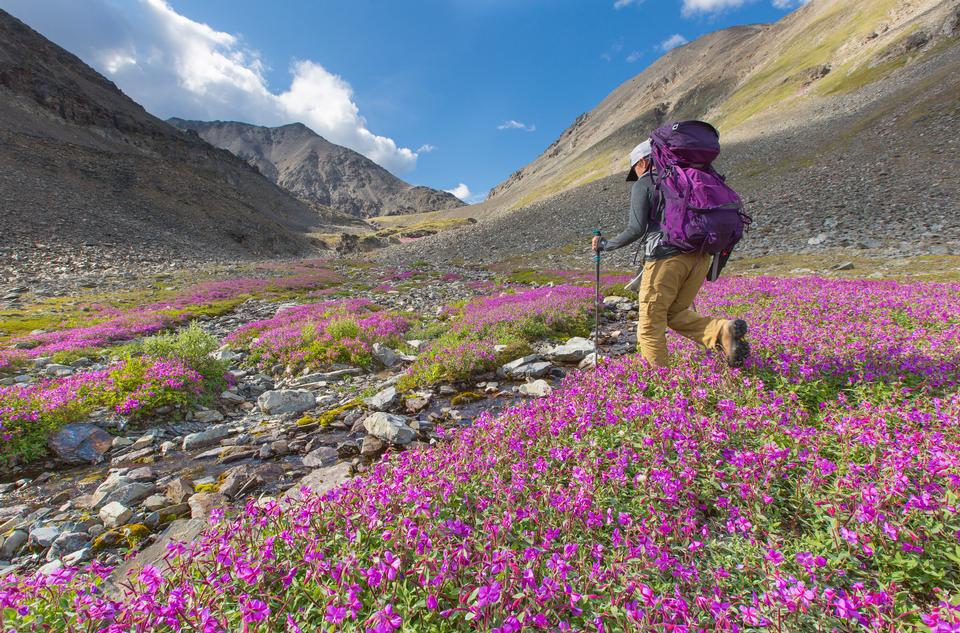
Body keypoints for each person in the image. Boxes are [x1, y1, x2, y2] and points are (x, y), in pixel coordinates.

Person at [591, 139, 749, 368]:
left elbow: (636, 229)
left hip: (666, 258)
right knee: (674, 313)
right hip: (702, 257)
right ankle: (721, 331)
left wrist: (605, 245)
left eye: (635, 168)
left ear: (644, 162)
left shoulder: (646, 182)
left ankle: (659, 388)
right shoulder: (689, 178)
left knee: (649, 326)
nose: (635, 174)